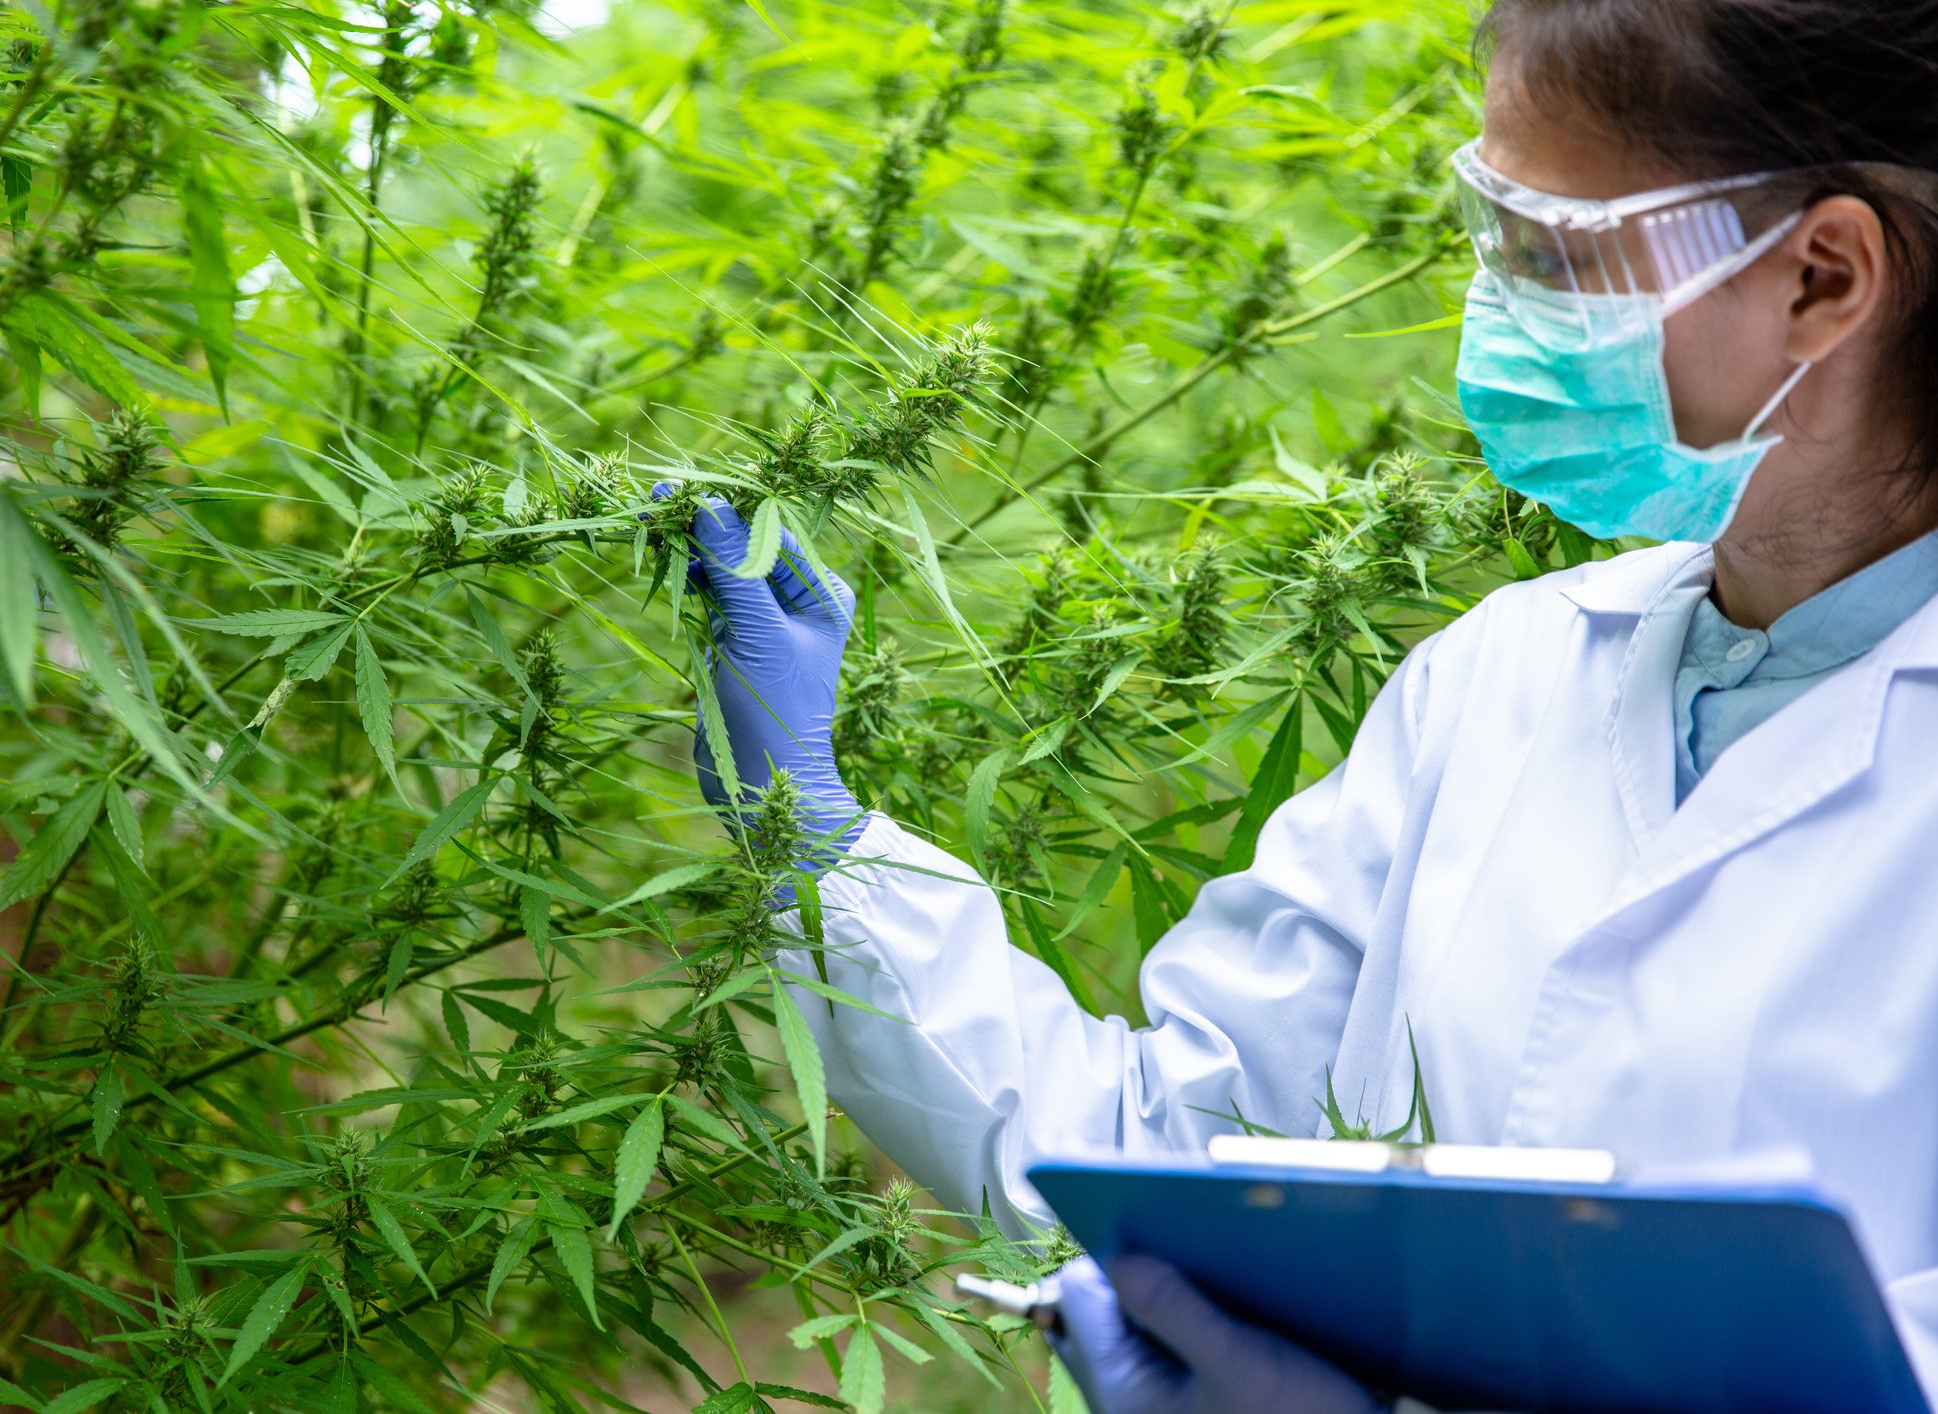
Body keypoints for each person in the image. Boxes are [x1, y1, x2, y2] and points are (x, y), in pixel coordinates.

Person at [661, 0, 1938, 1408]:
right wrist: (815, 832)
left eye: (1549, 251)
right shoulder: (1503, 676)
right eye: (1489, 231)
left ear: (1821, 276)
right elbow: (1164, 1150)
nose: (1496, 309)